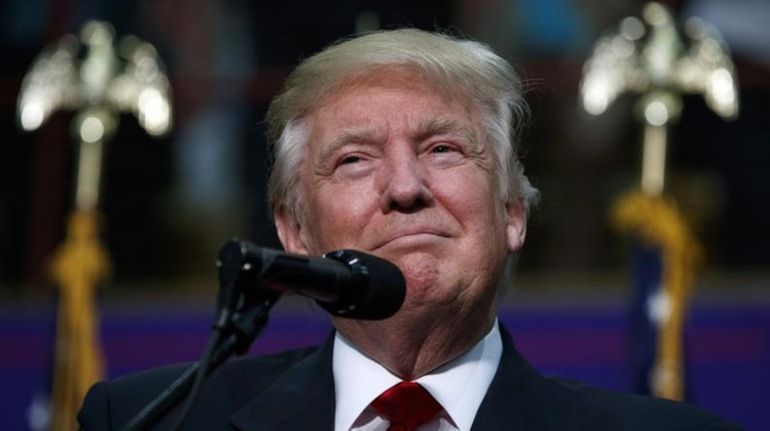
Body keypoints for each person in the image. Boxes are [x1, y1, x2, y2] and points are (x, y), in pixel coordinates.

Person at [78, 28, 741, 430]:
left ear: (512, 211)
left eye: (443, 150)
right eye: (355, 159)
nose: (404, 188)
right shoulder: (150, 420)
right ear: (295, 232)